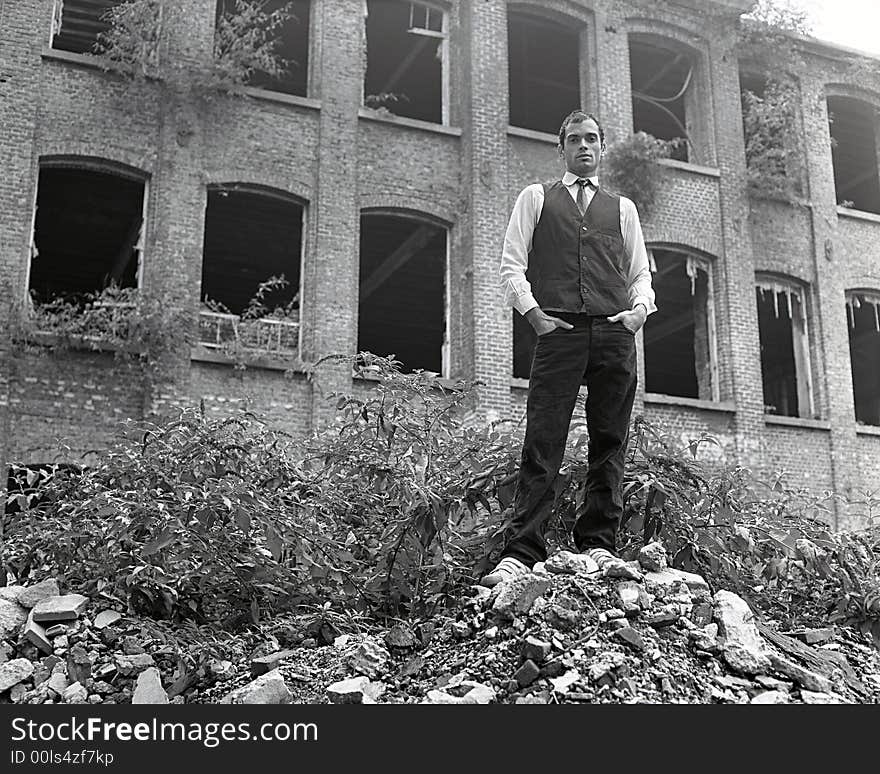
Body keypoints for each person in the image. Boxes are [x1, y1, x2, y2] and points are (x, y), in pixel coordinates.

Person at [481, 110, 656, 587]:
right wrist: (534, 315)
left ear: (602, 148)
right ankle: (522, 551)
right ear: (561, 149)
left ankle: (598, 545)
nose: (584, 146)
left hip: (614, 333)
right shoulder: (536, 198)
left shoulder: (622, 209)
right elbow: (511, 265)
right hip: (558, 333)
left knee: (610, 441)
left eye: (592, 139)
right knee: (543, 437)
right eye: (575, 139)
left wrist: (638, 312)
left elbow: (641, 272)